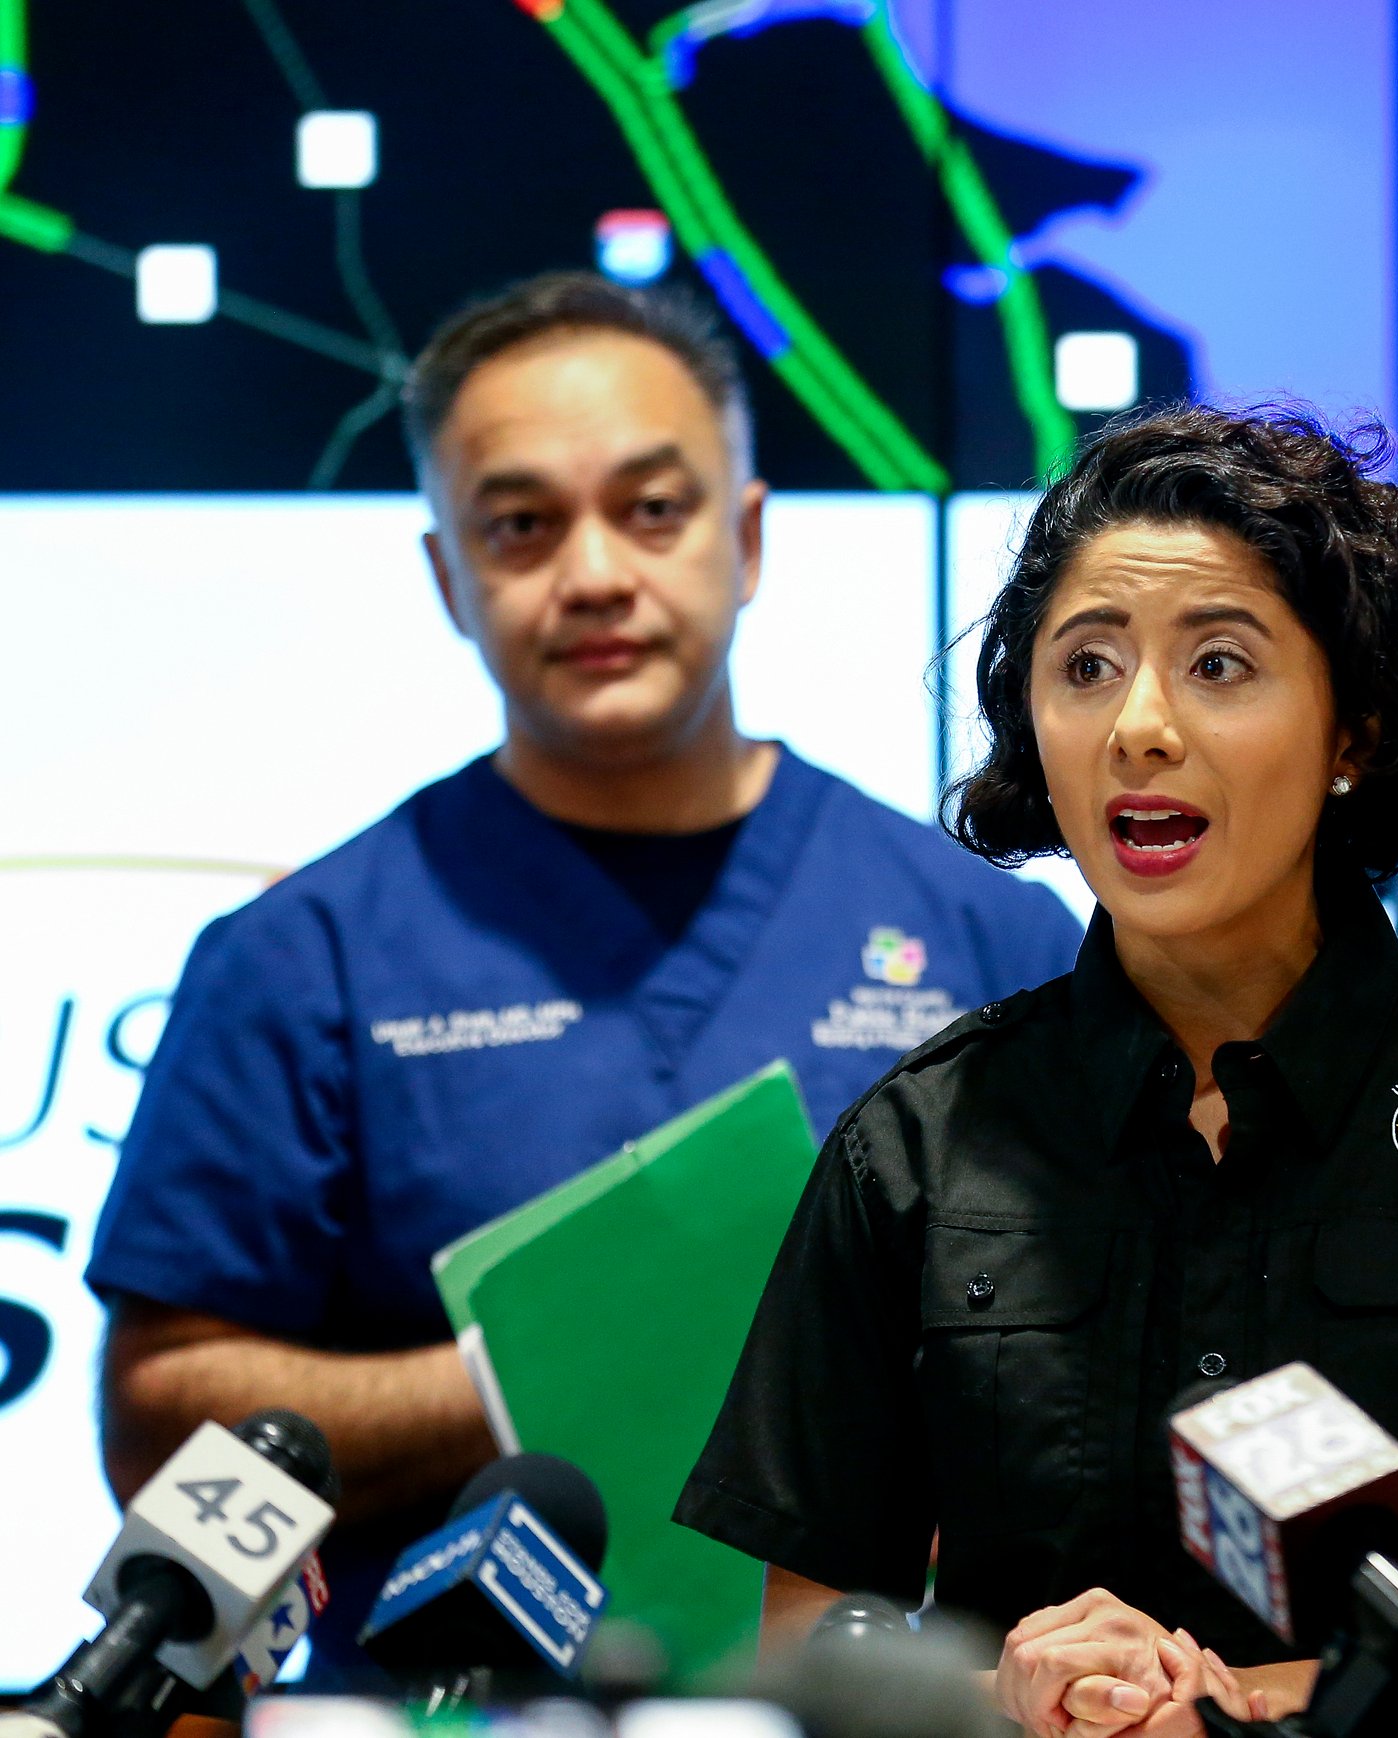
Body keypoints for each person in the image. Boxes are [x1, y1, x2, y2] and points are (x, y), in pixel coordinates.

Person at [676, 403, 1398, 1738]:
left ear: (1357, 729)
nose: (1141, 726)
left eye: (1219, 663)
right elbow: (817, 1638)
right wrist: (1013, 1695)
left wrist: (1257, 1707)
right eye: (1088, 666)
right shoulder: (917, 1147)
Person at [84, 272, 1083, 1683]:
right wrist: (555, 1368)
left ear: (745, 538)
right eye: (522, 524)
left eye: (653, 507)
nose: (597, 569)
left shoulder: (996, 940)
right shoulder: (303, 957)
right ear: (450, 576)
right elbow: (159, 1433)